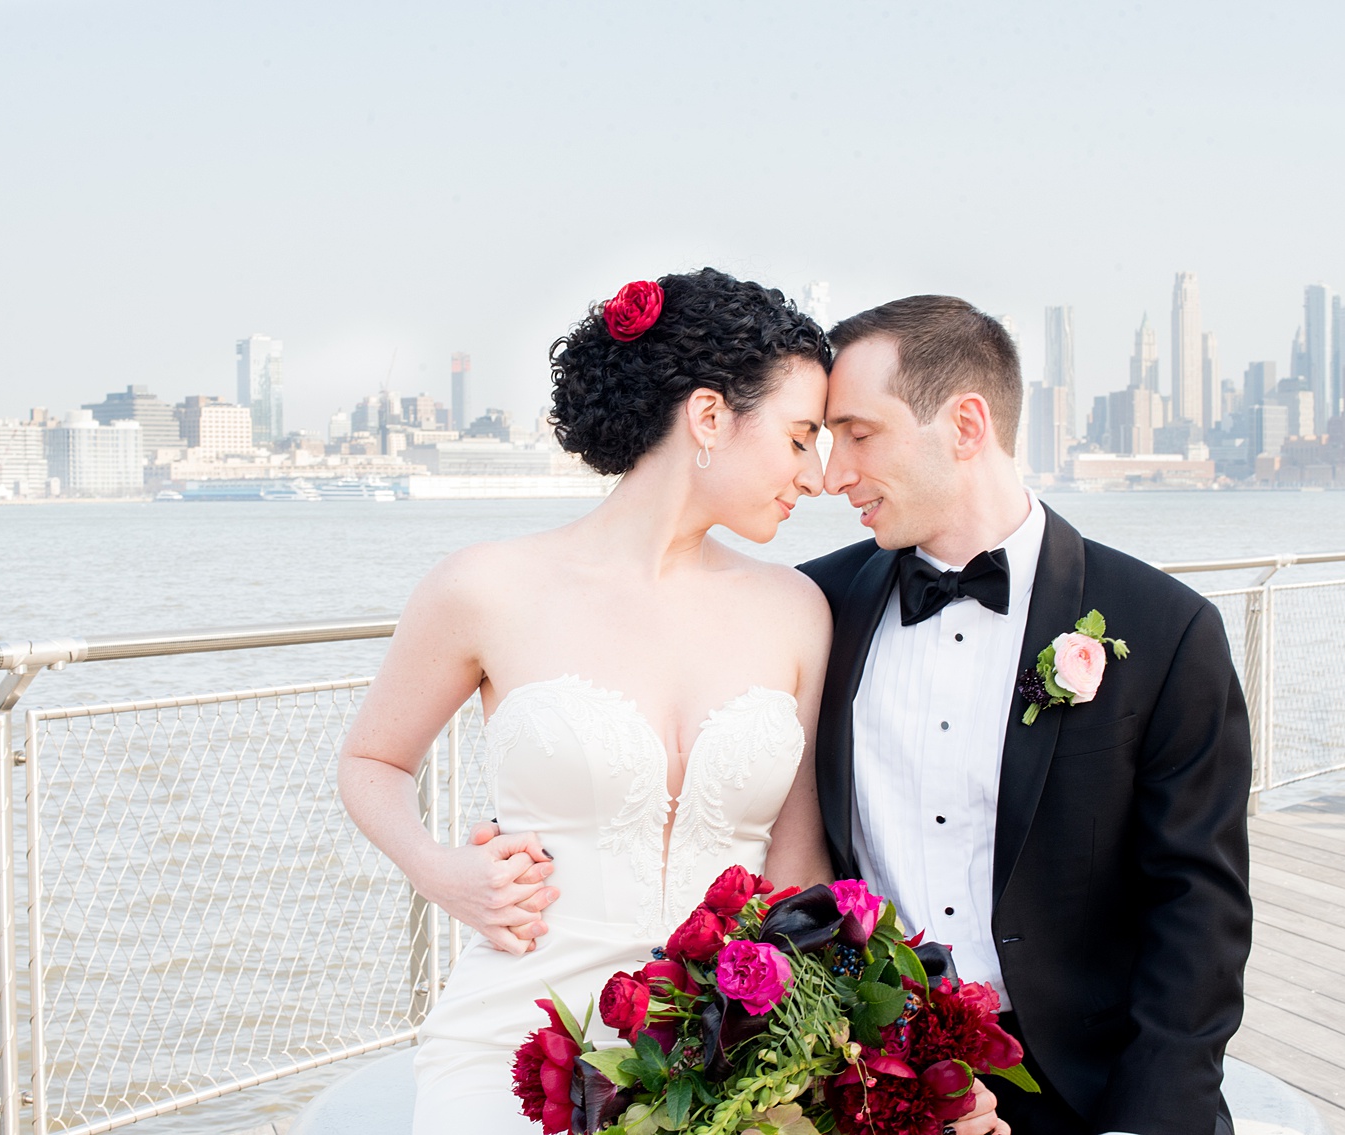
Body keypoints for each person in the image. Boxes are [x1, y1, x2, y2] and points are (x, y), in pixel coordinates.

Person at [337, 270, 1004, 1134]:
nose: (818, 473)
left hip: (723, 1057)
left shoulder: (795, 609)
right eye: (801, 436)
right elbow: (371, 761)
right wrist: (441, 872)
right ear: (710, 417)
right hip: (514, 1033)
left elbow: (794, 871)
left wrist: (868, 1067)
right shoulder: (486, 587)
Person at [798, 296, 1253, 1135]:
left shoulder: (1166, 628)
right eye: (826, 441)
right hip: (872, 1082)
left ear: (966, 424)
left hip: (1092, 1091)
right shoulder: (813, 607)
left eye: (858, 434)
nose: (833, 474)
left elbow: (1197, 906)